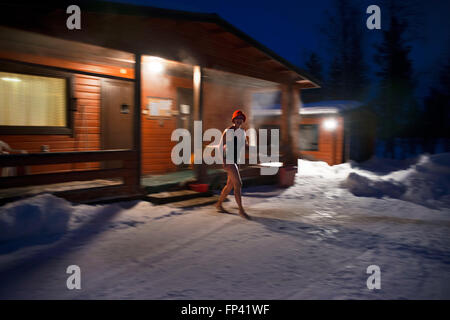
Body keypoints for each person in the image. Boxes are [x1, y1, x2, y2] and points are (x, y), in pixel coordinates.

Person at [215, 110, 251, 220]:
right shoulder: (228, 131)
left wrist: (250, 147)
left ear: (242, 121)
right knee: (238, 184)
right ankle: (241, 210)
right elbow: (220, 146)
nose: (239, 120)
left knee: (229, 186)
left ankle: (219, 204)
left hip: (235, 160)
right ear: (234, 120)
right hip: (228, 160)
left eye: (241, 119)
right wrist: (223, 161)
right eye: (237, 118)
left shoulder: (242, 132)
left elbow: (245, 146)